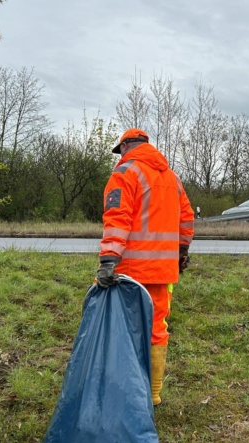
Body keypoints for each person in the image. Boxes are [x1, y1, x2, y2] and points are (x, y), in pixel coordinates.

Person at [96, 128, 195, 406]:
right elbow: (186, 217)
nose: (121, 155)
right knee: (156, 328)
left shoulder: (125, 173)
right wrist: (181, 252)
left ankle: (122, 389)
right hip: (162, 271)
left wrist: (108, 260)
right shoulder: (171, 177)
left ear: (126, 145)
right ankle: (152, 395)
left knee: (123, 326)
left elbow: (117, 218)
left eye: (121, 149)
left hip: (129, 271)